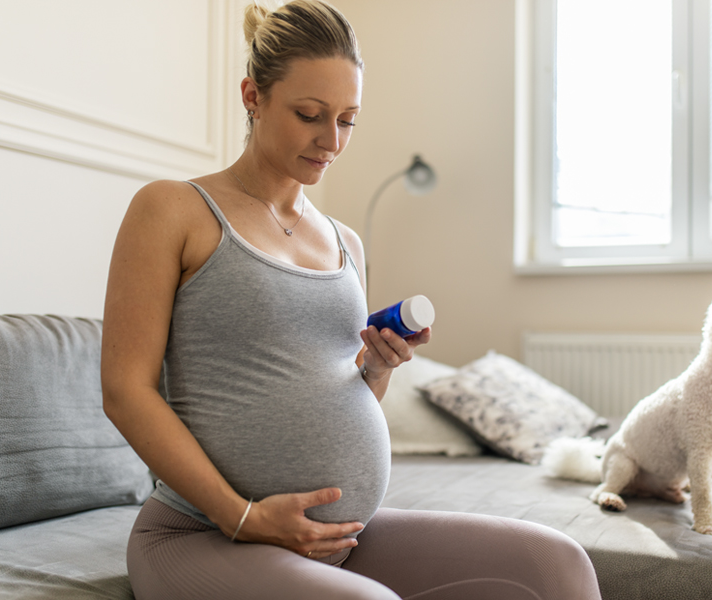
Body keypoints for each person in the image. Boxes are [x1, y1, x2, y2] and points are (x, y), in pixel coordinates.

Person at [101, 1, 602, 598]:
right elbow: (125, 392)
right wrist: (243, 514)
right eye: (310, 114)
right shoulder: (172, 210)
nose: (331, 140)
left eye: (347, 120)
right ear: (252, 97)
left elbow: (345, 390)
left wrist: (377, 368)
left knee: (556, 565)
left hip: (338, 537)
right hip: (203, 534)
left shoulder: (347, 243)